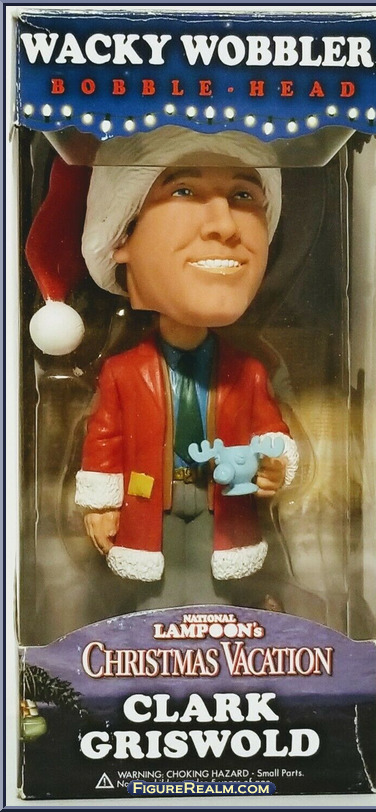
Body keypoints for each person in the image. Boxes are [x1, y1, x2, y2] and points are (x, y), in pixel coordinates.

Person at [74, 126, 299, 609]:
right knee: (155, 593)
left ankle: (218, 629)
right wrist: (100, 502)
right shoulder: (124, 371)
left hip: (223, 501)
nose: (224, 224)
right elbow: (105, 439)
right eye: (183, 190)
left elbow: (271, 432)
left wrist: (274, 464)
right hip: (149, 495)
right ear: (121, 236)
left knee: (217, 587)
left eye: (244, 195)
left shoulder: (248, 371)